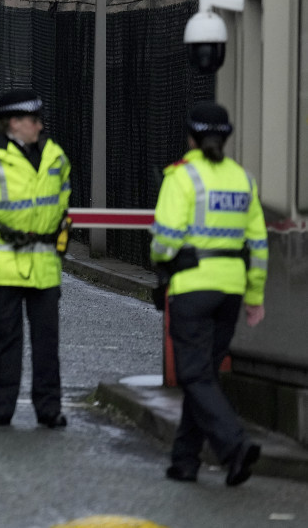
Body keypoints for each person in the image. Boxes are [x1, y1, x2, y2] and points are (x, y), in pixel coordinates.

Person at [150, 101, 268, 486]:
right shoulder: (244, 180)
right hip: (231, 289)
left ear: (192, 136)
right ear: (227, 137)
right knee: (203, 375)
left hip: (193, 287)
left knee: (193, 375)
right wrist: (254, 296)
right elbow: (259, 245)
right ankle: (184, 461)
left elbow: (164, 241)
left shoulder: (182, 176)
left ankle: (235, 446)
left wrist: (163, 264)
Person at [0, 89, 71, 429]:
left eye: (39, 120)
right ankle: (2, 408)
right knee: (7, 342)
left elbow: (62, 205)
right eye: (33, 120)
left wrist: (58, 246)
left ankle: (49, 409)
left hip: (43, 263)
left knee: (47, 343)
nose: (39, 126)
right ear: (14, 122)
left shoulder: (55, 155)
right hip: (5, 263)